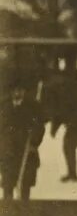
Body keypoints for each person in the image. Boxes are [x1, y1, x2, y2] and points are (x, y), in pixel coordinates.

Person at [44, 66, 77, 183]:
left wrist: (54, 128)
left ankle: (72, 174)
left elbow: (60, 112)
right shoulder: (64, 88)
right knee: (68, 146)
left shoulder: (64, 89)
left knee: (69, 146)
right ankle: (72, 173)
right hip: (76, 122)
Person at [1, 72, 44, 202]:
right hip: (8, 149)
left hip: (26, 148)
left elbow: (40, 127)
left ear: (24, 91)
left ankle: (24, 210)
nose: (17, 93)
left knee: (26, 181)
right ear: (11, 92)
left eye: (20, 90)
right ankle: (8, 209)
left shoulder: (33, 106)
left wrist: (34, 143)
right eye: (15, 90)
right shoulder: (3, 105)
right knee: (8, 181)